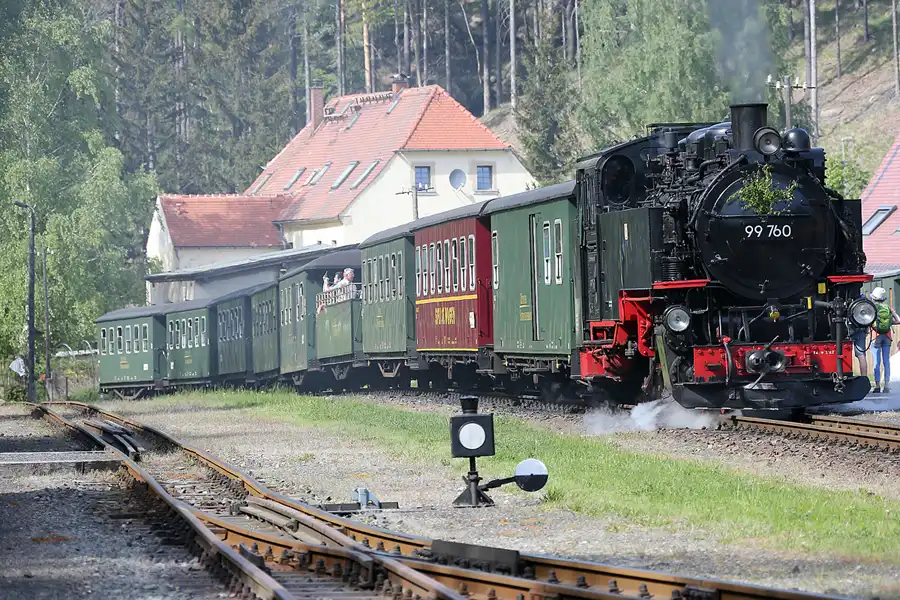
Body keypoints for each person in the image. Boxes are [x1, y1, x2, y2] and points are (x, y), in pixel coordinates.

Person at [870, 286, 900, 394]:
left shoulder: (872, 309)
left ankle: (877, 386)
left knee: (877, 362)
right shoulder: (887, 309)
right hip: (887, 337)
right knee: (886, 361)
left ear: (874, 298)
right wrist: (893, 312)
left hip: (875, 336)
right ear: (884, 298)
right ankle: (886, 385)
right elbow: (898, 321)